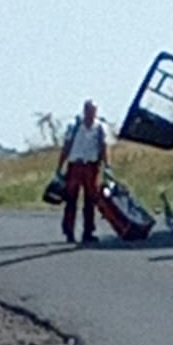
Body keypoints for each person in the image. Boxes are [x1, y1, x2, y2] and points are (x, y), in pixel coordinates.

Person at [57, 100, 108, 245]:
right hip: (75, 165)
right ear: (84, 111)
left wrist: (107, 165)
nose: (91, 114)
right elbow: (66, 146)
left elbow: (103, 147)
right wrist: (60, 166)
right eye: (89, 111)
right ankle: (69, 231)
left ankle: (88, 232)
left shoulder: (100, 127)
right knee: (71, 199)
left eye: (94, 111)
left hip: (91, 166)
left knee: (90, 200)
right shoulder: (74, 126)